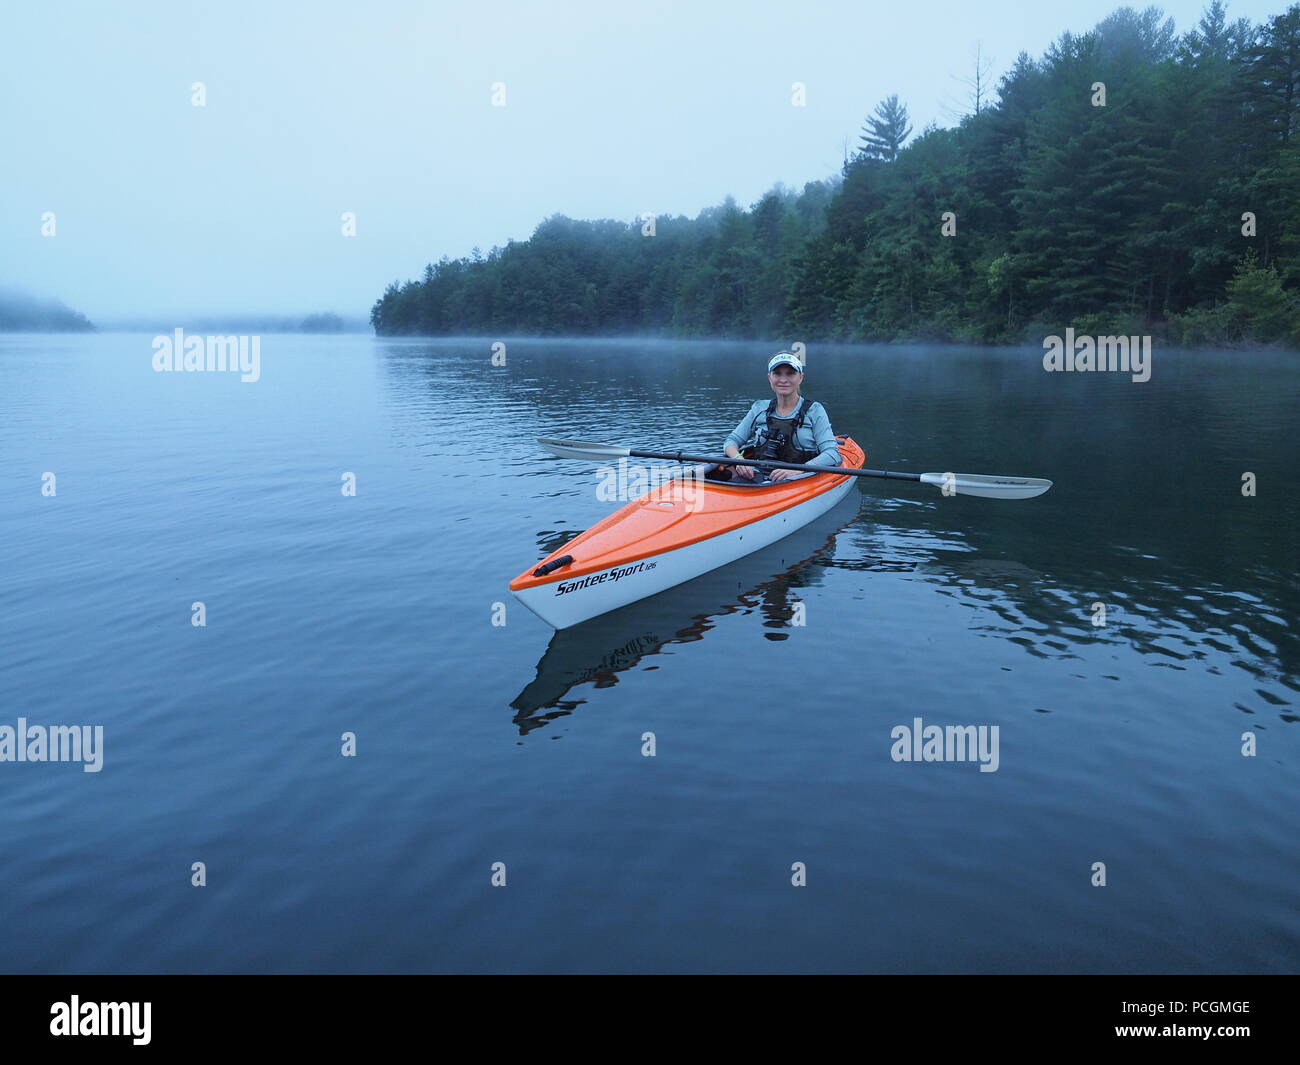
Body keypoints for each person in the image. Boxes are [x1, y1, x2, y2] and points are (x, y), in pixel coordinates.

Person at [720, 352, 839, 483]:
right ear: (769, 377)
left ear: (801, 377)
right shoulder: (759, 408)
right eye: (777, 373)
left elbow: (832, 454)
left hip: (801, 479)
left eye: (790, 373)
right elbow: (731, 441)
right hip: (758, 477)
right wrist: (739, 460)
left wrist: (798, 470)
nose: (783, 380)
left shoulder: (814, 410)